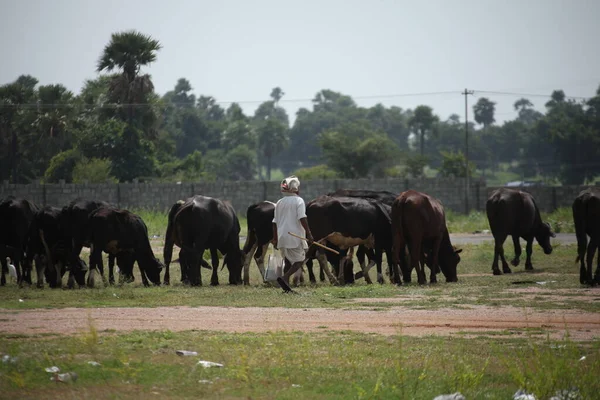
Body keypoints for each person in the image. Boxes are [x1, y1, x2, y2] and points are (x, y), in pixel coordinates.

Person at [271, 176, 314, 293]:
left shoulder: (279, 202)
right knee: (300, 260)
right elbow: (302, 218)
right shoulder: (299, 200)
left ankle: (286, 286)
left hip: (282, 237)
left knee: (288, 261)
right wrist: (309, 234)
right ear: (296, 188)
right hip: (295, 236)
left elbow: (274, 222)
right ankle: (284, 278)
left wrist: (275, 239)